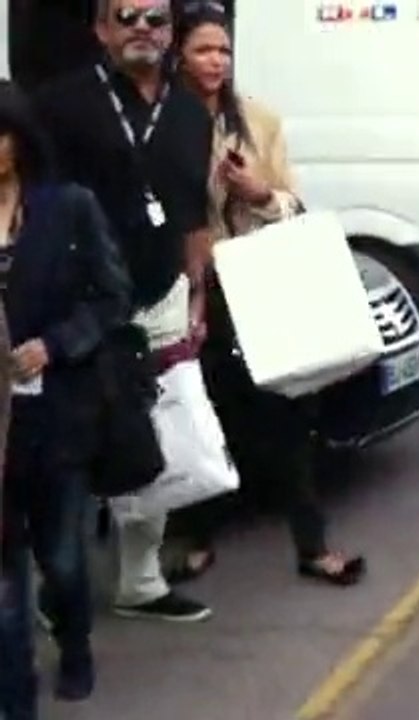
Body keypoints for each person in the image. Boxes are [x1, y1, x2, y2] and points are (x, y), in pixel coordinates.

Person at [164, 3, 366, 586]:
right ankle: (196, 534)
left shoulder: (258, 119)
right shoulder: (165, 120)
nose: (216, 61)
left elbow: (292, 204)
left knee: (285, 412)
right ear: (180, 54)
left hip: (259, 280)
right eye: (203, 49)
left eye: (224, 50)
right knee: (203, 411)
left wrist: (258, 192)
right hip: (197, 287)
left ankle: (313, 546)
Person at [32, 0, 214, 622]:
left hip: (162, 296)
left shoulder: (191, 112)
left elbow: (193, 213)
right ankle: (59, 590)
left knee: (155, 438)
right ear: (101, 29)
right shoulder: (58, 105)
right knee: (70, 445)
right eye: (127, 15)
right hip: (77, 301)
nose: (143, 29)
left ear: (171, 34)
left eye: (156, 20)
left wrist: (199, 293)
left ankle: (140, 582)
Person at [0, 79, 131, 716]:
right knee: (7, 586)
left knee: (63, 559)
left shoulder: (68, 207)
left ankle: (74, 642)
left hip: (58, 418)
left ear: (19, 140)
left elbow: (112, 297)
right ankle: (16, 690)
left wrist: (55, 344)